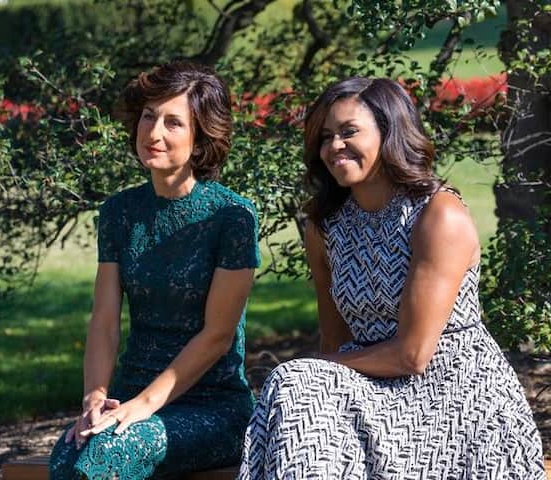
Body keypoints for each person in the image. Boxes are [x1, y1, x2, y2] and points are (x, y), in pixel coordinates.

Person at [239, 77, 545, 479]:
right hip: (373, 392)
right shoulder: (325, 227)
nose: (334, 147)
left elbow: (412, 355)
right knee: (298, 388)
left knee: (294, 379)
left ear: (390, 132)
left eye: (349, 132)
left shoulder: (438, 215)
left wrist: (314, 370)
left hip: (456, 400)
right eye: (326, 137)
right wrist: (319, 380)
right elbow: (335, 340)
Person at [49, 61, 260, 480]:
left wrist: (143, 406)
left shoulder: (232, 216)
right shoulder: (119, 213)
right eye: (149, 116)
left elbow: (217, 336)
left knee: (105, 457)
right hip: (127, 402)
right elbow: (105, 321)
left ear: (201, 137)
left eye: (173, 122)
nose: (154, 133)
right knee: (68, 455)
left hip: (212, 406)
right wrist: (95, 397)